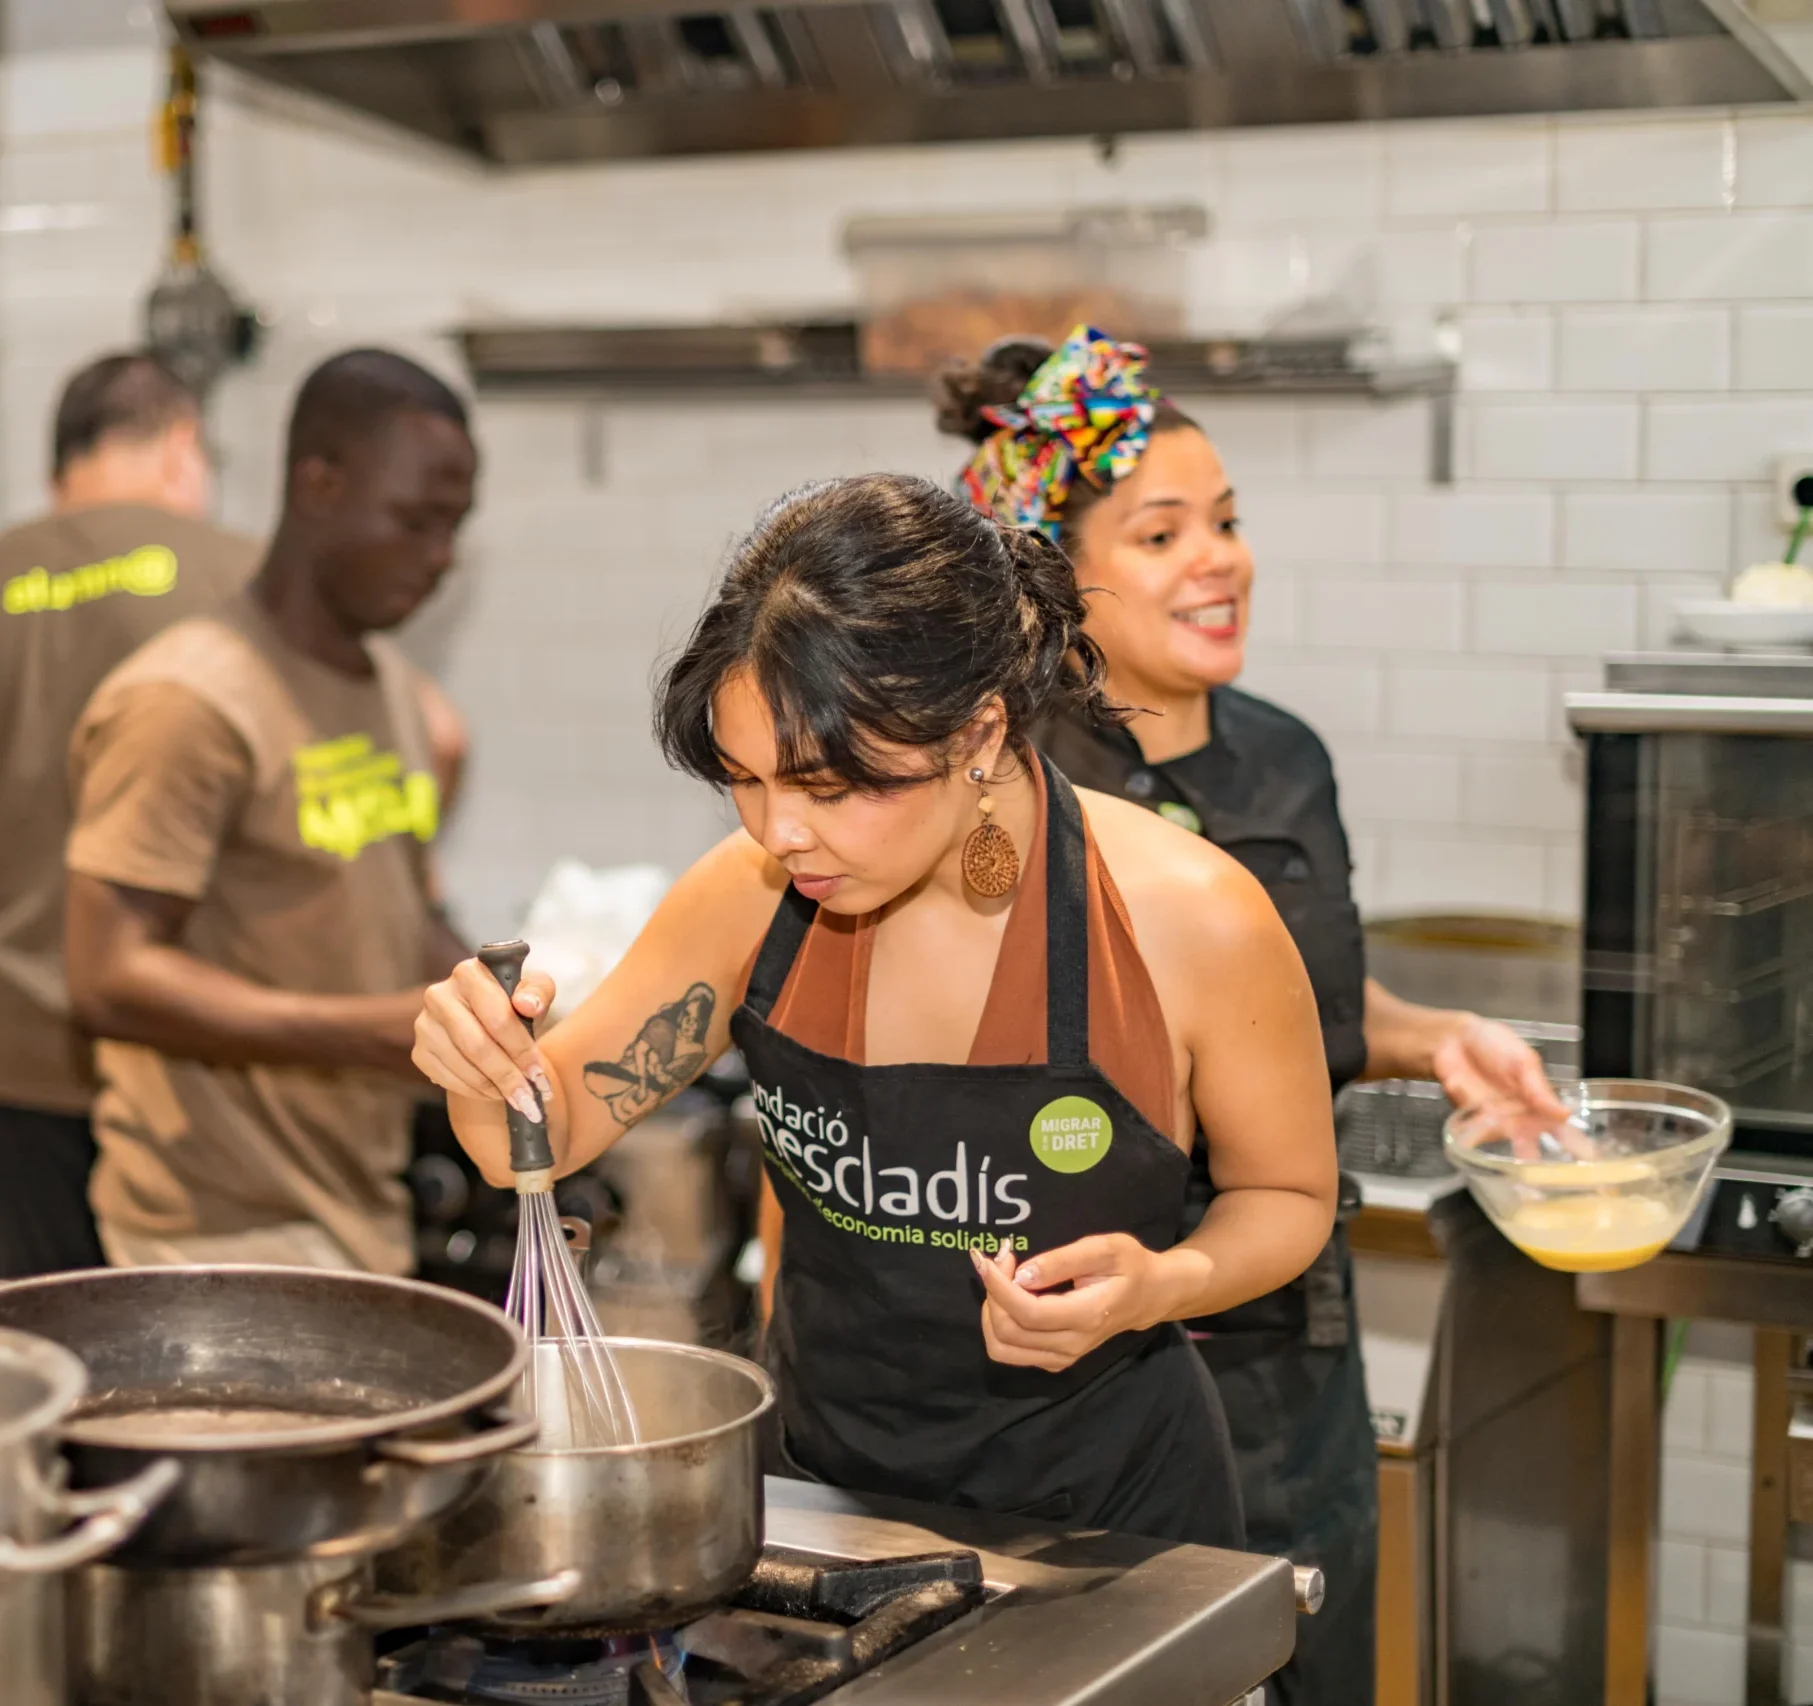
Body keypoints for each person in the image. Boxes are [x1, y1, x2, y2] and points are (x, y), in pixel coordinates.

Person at [414, 471, 1338, 1545]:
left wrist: (1163, 1282)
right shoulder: (751, 896)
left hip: (1108, 1523)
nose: (779, 832)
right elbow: (540, 1132)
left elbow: (1286, 1194)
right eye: (745, 780)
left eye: (830, 786)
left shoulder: (1188, 918)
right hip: (824, 1499)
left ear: (977, 735)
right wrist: (478, 1059)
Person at [937, 326, 1568, 1704]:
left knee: (1310, 1664)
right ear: (1053, 569)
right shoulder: (998, 784)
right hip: (1076, 1359)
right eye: (1162, 533)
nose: (1218, 559)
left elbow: (1293, 1007)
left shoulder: (1284, 758)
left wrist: (1432, 1037)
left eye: (1224, 521)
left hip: (1292, 1342)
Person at [63, 348, 478, 1274]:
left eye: (454, 527)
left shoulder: (393, 693)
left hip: (357, 1208)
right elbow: (107, 977)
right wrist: (378, 1031)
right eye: (415, 520)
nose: (441, 558)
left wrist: (485, 996)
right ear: (319, 485)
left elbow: (392, 908)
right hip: (211, 1240)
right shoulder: (188, 698)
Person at [0, 352, 257, 1279]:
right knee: (166, 1344)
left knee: (28, 1337)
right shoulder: (246, 577)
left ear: (62, 465)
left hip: (13, 1059)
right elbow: (435, 732)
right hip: (188, 1066)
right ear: (182, 446)